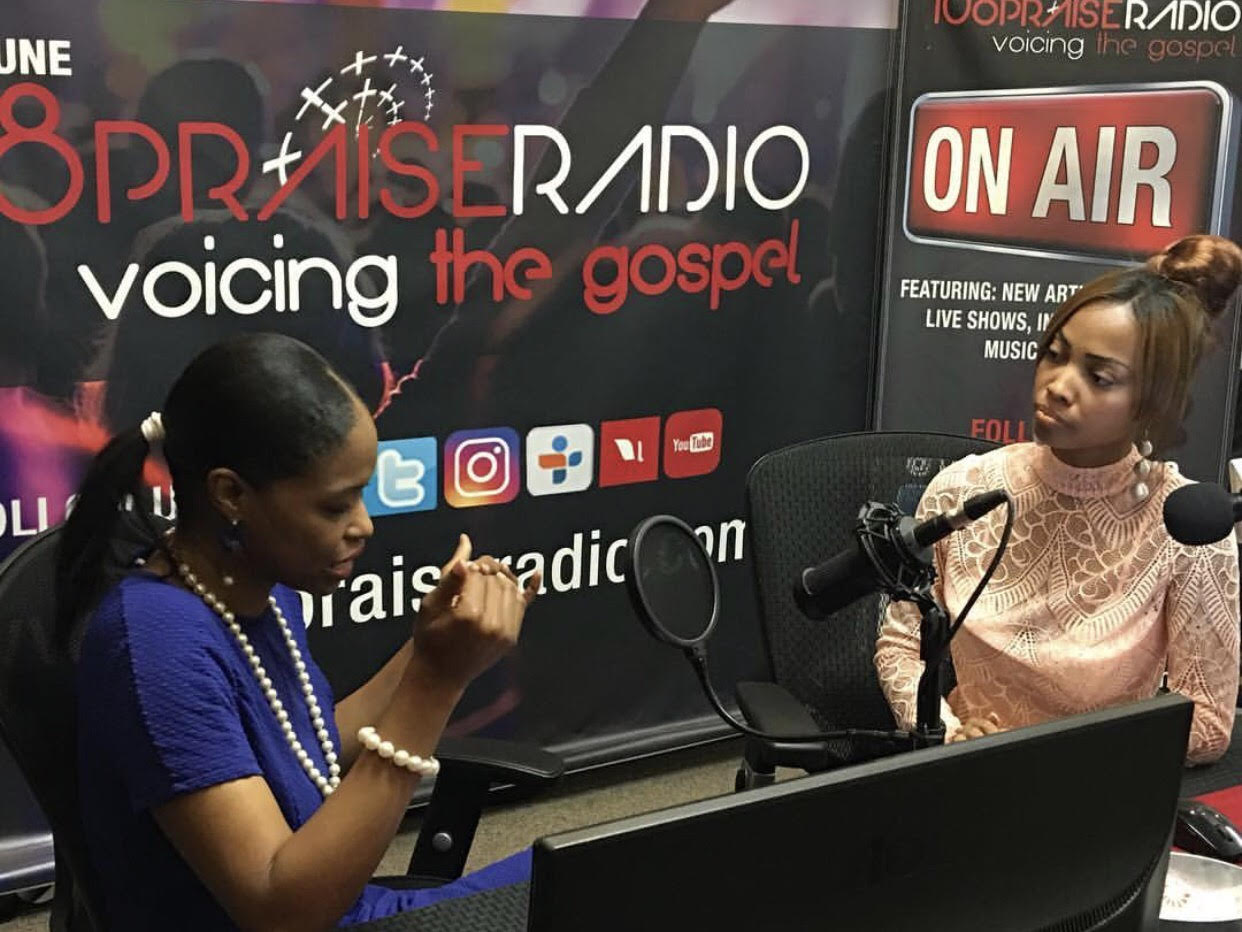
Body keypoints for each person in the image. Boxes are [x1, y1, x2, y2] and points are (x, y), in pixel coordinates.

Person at [57, 333, 541, 929]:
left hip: (343, 907)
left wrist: (428, 648)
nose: (363, 525)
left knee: (600, 872)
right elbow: (281, 912)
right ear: (231, 494)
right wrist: (436, 685)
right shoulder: (157, 647)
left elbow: (305, 749)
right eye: (336, 506)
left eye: (361, 496)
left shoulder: (255, 586)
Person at [875, 234, 1242, 765]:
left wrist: (1050, 758)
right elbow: (899, 645)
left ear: (1152, 400)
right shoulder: (964, 489)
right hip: (965, 773)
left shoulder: (1187, 529)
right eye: (1055, 354)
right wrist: (946, 732)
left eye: (1099, 377)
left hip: (1096, 789)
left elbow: (1206, 723)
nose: (1058, 386)